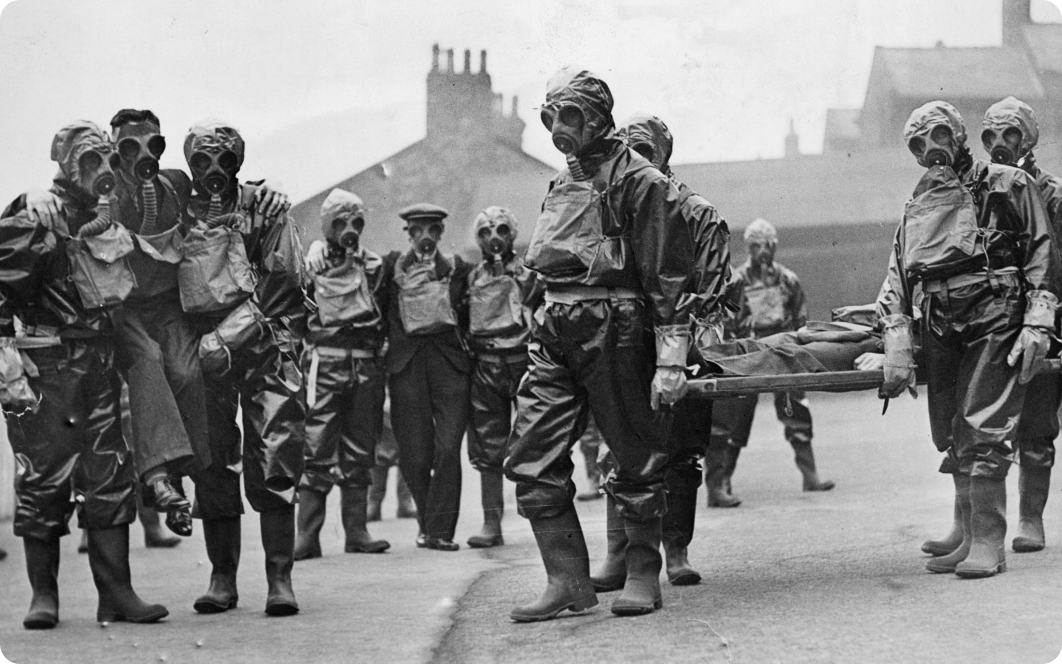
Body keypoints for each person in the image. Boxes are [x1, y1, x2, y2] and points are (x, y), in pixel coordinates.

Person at [505, 69, 694, 621]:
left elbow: (668, 275)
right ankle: (567, 580)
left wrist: (671, 360)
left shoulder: (641, 180)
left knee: (635, 454)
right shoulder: (561, 181)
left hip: (616, 325)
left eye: (569, 116)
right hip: (555, 326)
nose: (557, 129)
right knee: (531, 455)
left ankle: (642, 574)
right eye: (550, 117)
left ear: (597, 117)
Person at [878, 100, 1058, 578]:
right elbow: (898, 269)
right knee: (950, 429)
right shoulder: (919, 202)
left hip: (993, 312)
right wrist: (896, 333)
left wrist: (1038, 320)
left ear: (959, 135)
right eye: (918, 144)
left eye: (938, 135)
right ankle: (966, 537)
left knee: (983, 425)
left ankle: (989, 542)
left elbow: (1041, 250)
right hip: (939, 318)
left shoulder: (1009, 183)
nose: (930, 150)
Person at [1, 121, 167, 629]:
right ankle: (43, 596)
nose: (103, 171)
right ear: (67, 165)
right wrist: (8, 366)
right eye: (90, 161)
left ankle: (116, 594)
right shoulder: (35, 216)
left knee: (109, 474)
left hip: (98, 363)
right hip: (47, 367)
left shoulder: (105, 217)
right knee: (42, 477)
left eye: (107, 160)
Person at [591, 113, 732, 589]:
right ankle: (619, 553)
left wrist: (683, 348)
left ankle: (676, 549)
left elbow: (712, 294)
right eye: (627, 151)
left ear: (664, 154)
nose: (636, 161)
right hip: (625, 341)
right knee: (620, 446)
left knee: (681, 453)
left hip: (685, 342)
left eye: (645, 151)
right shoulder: (608, 209)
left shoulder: (698, 214)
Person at [180, 120, 306, 616]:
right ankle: (222, 577)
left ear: (239, 163)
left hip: (264, 343)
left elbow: (283, 282)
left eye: (224, 160)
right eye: (202, 161)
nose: (213, 171)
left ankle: (280, 577)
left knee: (276, 453)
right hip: (202, 349)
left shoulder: (264, 208)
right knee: (211, 459)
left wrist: (228, 337)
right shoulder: (176, 210)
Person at [971, 97, 1062, 554]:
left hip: (1045, 322)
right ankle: (969, 527)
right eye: (992, 135)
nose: (1000, 144)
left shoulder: (1053, 194)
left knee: (1036, 425)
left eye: (1011, 134)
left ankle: (1030, 518)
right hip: (991, 322)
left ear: (1030, 138)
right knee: (975, 426)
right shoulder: (980, 191)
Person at [706, 217, 834, 505]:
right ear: (747, 247)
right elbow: (729, 319)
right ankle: (722, 482)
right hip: (749, 352)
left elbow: (800, 320)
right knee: (736, 415)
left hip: (782, 349)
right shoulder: (736, 282)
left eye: (768, 245)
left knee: (796, 408)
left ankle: (810, 475)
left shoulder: (788, 279)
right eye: (756, 245)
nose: (763, 251)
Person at [294, 189, 390, 559]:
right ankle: (307, 535)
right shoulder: (312, 265)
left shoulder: (372, 266)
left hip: (364, 362)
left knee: (361, 445)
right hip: (326, 361)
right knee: (317, 444)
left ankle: (357, 530)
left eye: (356, 221)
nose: (349, 229)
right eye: (340, 223)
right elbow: (296, 314)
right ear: (326, 226)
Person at [384, 203, 473, 551]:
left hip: (449, 367)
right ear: (408, 233)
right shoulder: (392, 268)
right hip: (407, 368)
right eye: (418, 230)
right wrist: (318, 248)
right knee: (415, 454)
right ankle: (428, 525)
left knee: (449, 448)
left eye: (432, 229)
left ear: (441, 232)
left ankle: (440, 531)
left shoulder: (457, 268)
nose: (425, 237)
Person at [465, 206, 540, 548]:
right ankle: (491, 523)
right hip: (486, 365)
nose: (494, 238)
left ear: (513, 234)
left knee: (534, 440)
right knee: (487, 445)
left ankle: (543, 519)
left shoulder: (529, 273)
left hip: (523, 362)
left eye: (501, 230)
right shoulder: (470, 277)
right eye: (485, 232)